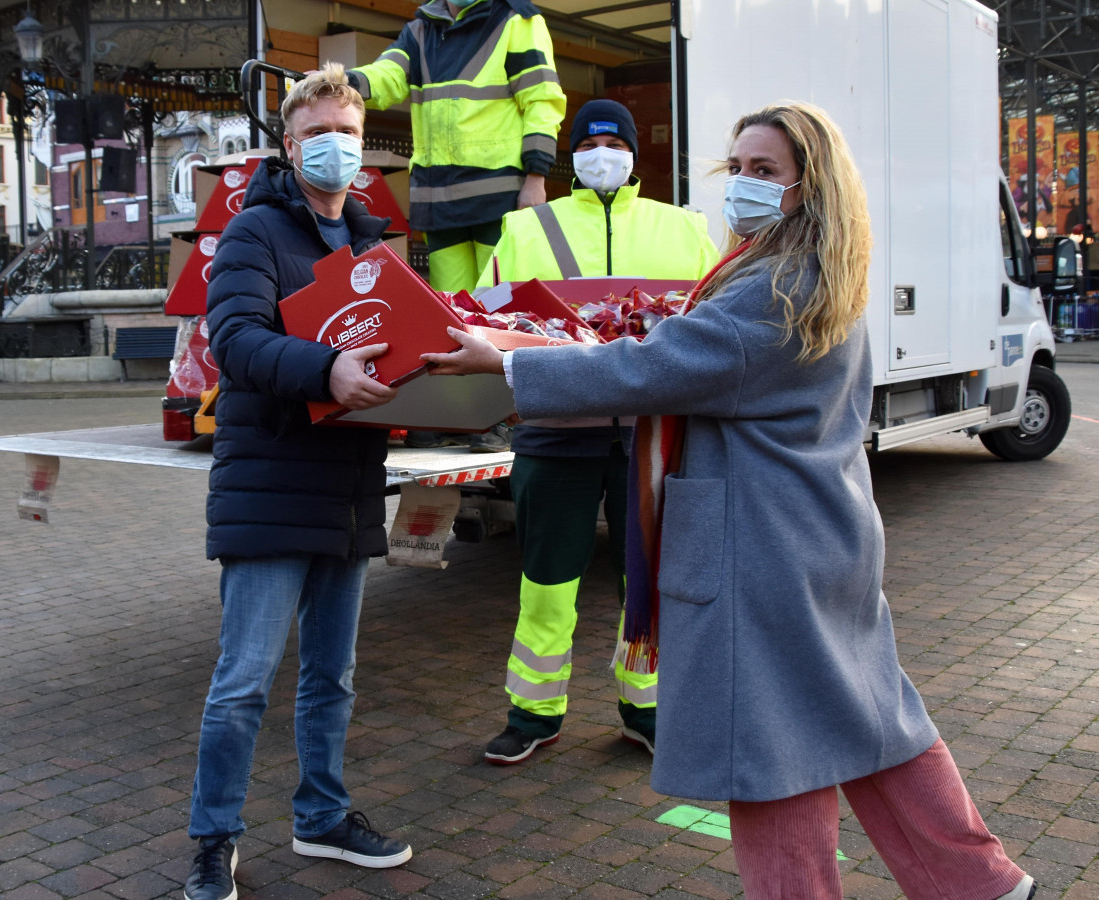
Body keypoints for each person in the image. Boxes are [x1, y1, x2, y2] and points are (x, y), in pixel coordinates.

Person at [422, 101, 1036, 900]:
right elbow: (666, 355)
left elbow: (651, 368)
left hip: (764, 546)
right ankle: (981, 883)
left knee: (771, 750)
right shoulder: (810, 268)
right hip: (818, 533)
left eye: (765, 171)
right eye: (737, 167)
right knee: (868, 719)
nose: (742, 184)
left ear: (808, 187)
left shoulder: (773, 284)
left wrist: (505, 364)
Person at [183, 65, 413, 900]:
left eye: (348, 134)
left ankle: (321, 815)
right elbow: (234, 342)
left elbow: (393, 345)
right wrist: (328, 371)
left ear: (365, 149)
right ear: (289, 144)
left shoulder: (370, 241)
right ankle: (213, 841)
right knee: (243, 681)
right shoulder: (254, 232)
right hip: (272, 481)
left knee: (333, 675)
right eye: (318, 134)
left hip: (345, 480)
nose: (334, 148)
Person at [473, 99, 719, 765]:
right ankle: (533, 712)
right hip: (555, 431)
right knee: (547, 579)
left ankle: (646, 707)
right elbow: (484, 316)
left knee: (646, 579)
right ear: (571, 155)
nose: (602, 151)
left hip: (651, 434)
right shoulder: (525, 229)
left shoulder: (685, 230)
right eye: (589, 141)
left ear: (635, 153)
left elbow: (715, 322)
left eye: (615, 140)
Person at [345, 0, 566, 294]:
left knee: (501, 307)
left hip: (498, 200)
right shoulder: (419, 30)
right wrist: (340, 81)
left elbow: (542, 101)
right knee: (454, 311)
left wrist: (536, 177)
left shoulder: (516, 21)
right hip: (439, 205)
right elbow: (387, 76)